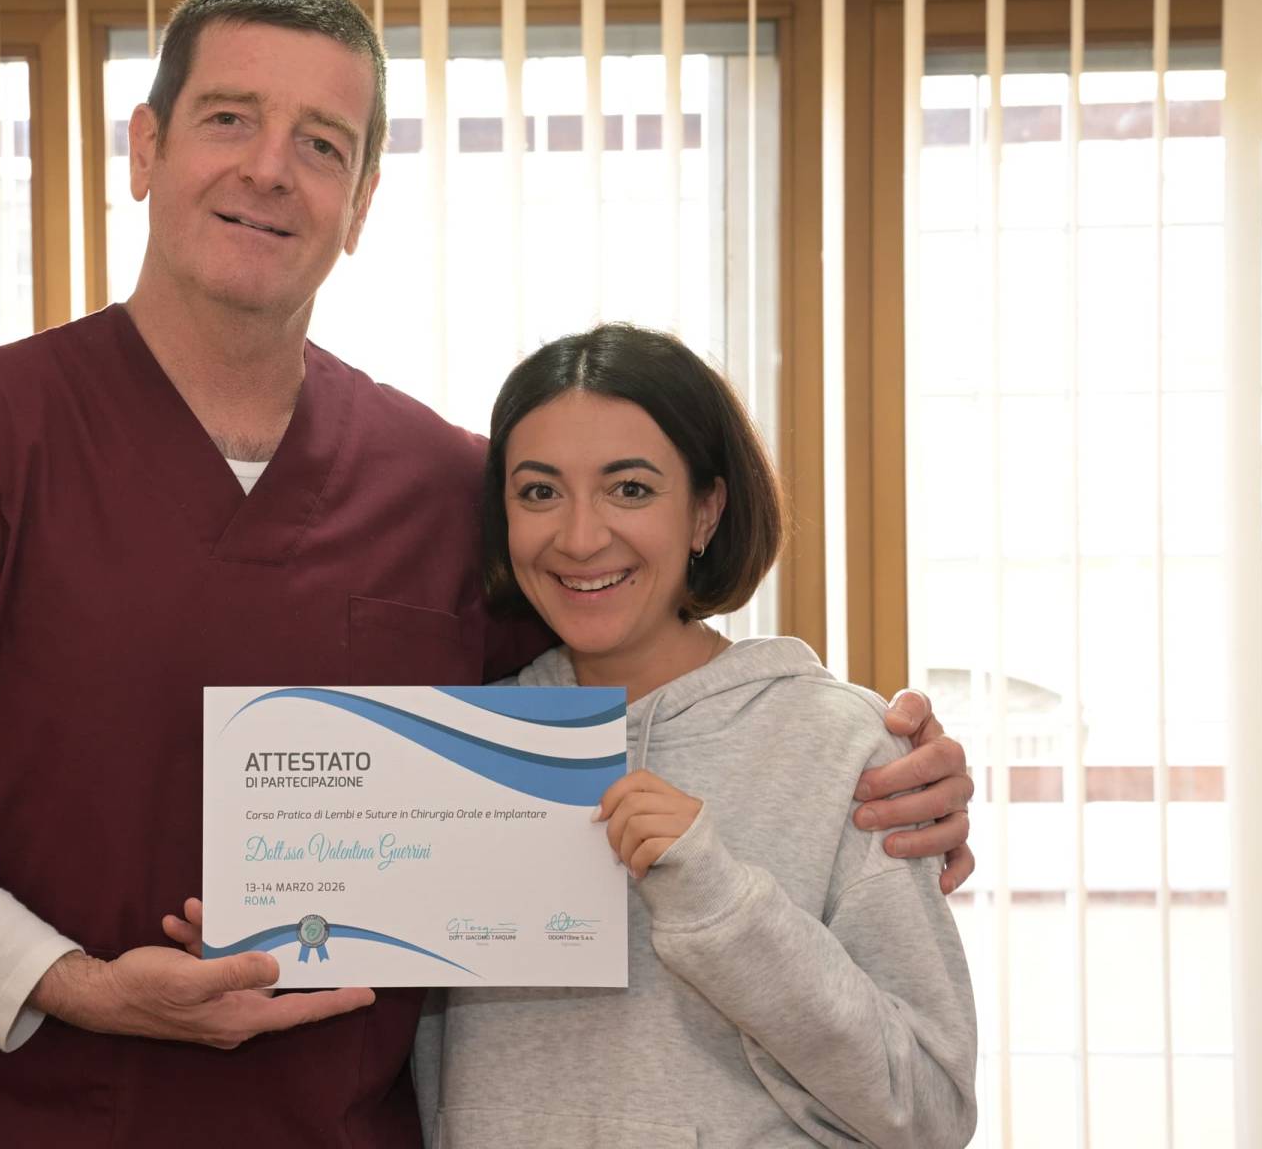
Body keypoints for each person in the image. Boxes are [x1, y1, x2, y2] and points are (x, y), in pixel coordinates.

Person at [0, 0, 974, 1148]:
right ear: (146, 148)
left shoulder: (444, 485)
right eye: (230, 118)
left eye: (322, 143)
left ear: (362, 202)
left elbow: (633, 676)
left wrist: (881, 776)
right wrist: (76, 982)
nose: (271, 168)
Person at [412, 324, 977, 1146]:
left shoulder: (844, 748)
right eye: (539, 492)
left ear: (705, 512)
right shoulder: (458, 746)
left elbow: (930, 1110)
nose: (580, 537)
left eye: (629, 489)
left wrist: (722, 903)